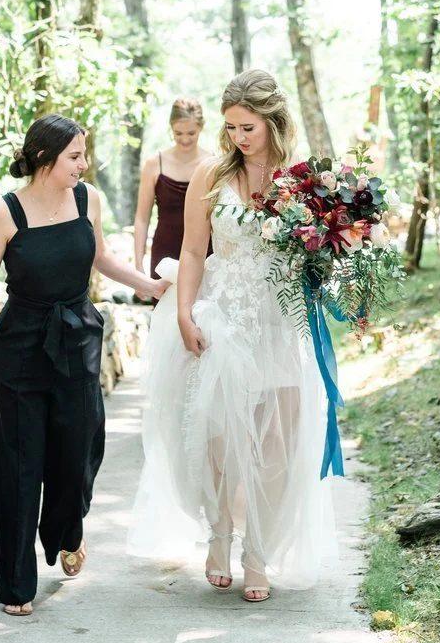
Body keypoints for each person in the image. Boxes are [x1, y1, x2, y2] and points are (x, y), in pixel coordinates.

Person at [128, 70, 335, 601]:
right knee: (220, 439)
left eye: (248, 127)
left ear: (271, 122)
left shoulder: (301, 180)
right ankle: (220, 534)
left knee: (276, 446)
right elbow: (194, 251)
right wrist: (183, 313)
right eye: (232, 127)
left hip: (281, 321)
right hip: (222, 315)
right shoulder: (211, 175)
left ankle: (259, 551)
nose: (239, 137)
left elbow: (320, 250)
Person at [0, 113, 169, 617]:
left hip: (77, 337)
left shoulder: (87, 198)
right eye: (75, 155)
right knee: (19, 462)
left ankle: (64, 532)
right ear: (43, 159)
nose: (84, 163)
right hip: (21, 347)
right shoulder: (5, 213)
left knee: (80, 448)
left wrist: (150, 285)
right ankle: (16, 584)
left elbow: (101, 258)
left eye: (84, 154)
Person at [133, 97, 212, 298]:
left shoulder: (213, 162)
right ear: (171, 127)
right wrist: (138, 267)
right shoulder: (154, 163)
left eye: (191, 133)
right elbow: (142, 219)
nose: (185, 139)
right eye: (178, 133)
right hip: (165, 251)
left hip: (205, 252)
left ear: (201, 128)